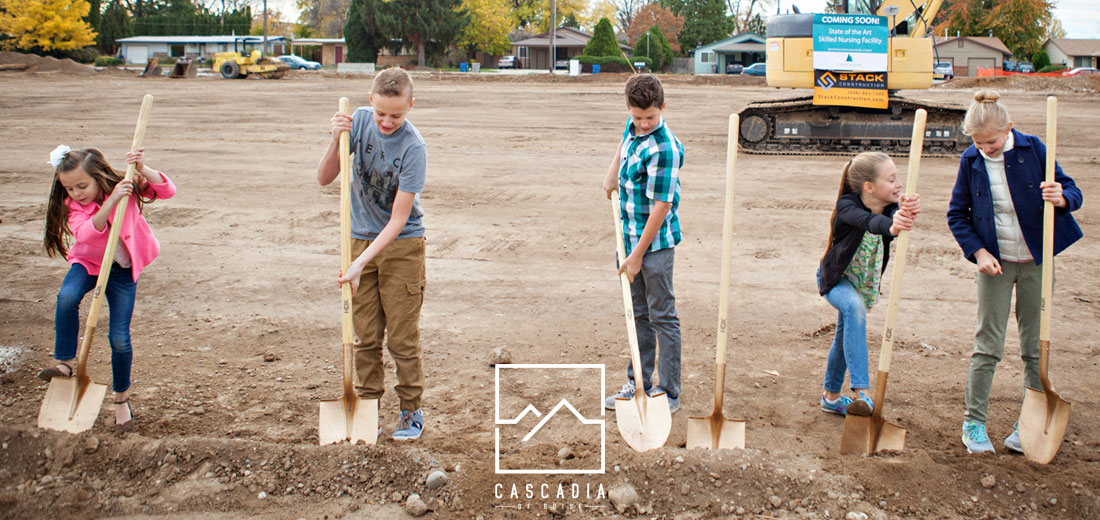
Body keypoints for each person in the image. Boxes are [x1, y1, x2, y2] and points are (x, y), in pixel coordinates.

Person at [947, 90, 1083, 454]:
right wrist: (978, 252)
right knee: (987, 345)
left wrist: (1062, 197)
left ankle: (1028, 423)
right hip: (996, 266)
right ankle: (973, 422)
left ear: (1009, 128)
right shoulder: (971, 161)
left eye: (990, 141)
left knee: (1034, 350)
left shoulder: (1035, 149)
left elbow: (1074, 191)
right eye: (977, 143)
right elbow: (956, 215)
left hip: (1037, 264)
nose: (985, 148)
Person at [318, 67, 428, 441]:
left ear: (410, 106)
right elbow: (323, 177)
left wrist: (360, 263)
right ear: (371, 101)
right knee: (364, 335)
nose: (386, 121)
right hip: (358, 238)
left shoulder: (414, 148)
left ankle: (411, 411)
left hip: (401, 247)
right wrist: (336, 139)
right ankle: (367, 410)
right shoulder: (359, 121)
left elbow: (398, 219)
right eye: (381, 112)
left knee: (401, 337)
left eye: (396, 115)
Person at [39, 146, 177, 433]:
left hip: (123, 272)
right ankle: (64, 363)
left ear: (97, 176)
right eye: (69, 188)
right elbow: (87, 233)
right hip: (89, 263)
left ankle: (120, 401)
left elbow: (166, 191)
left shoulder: (124, 184)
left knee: (119, 338)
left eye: (82, 186)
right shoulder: (74, 205)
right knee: (67, 297)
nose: (76, 193)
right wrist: (112, 202)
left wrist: (142, 169)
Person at [601, 74, 684, 414]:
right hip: (628, 238)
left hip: (654, 246)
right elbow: (624, 144)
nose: (644, 123)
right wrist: (611, 173)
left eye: (651, 117)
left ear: (662, 107)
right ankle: (637, 381)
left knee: (662, 314)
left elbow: (661, 207)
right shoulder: (632, 126)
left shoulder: (666, 148)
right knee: (637, 315)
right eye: (638, 117)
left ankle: (668, 392)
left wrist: (636, 257)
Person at [817, 152, 921, 417]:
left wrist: (906, 212)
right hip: (836, 280)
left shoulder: (891, 207)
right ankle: (861, 391)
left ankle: (831, 397)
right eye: (892, 179)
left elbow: (896, 216)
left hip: (863, 286)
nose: (899, 184)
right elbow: (869, 222)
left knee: (844, 337)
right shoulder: (848, 206)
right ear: (869, 187)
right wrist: (893, 226)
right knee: (853, 309)